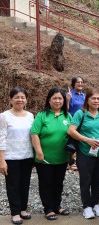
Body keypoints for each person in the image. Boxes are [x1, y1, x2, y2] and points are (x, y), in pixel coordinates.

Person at [30, 88, 72, 221]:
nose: (58, 101)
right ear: (49, 100)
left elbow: (72, 135)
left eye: (60, 98)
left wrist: (72, 155)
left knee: (58, 183)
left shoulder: (67, 116)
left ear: (64, 100)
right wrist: (39, 152)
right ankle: (48, 208)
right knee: (46, 183)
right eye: (55, 98)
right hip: (44, 158)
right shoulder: (42, 115)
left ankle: (57, 206)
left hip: (62, 157)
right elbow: (34, 133)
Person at [67, 88, 99, 219]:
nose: (96, 101)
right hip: (84, 153)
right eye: (93, 98)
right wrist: (87, 140)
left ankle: (95, 204)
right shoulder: (81, 113)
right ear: (87, 100)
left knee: (98, 181)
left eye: (98, 99)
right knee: (86, 180)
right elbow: (71, 131)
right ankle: (87, 207)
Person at [0, 87, 34, 225]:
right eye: (17, 97)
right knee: (13, 185)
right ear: (11, 99)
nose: (20, 100)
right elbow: (1, 137)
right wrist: (1, 160)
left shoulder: (30, 115)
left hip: (27, 155)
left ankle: (23, 209)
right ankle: (15, 212)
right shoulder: (4, 116)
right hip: (11, 156)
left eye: (22, 97)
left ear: (26, 100)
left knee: (25, 183)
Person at [66, 76, 85, 172]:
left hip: (83, 121)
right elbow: (66, 109)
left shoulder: (84, 96)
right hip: (73, 121)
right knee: (72, 142)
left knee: (81, 142)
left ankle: (79, 161)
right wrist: (68, 100)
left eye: (82, 82)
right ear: (73, 84)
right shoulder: (69, 94)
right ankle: (70, 162)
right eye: (78, 82)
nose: (80, 84)